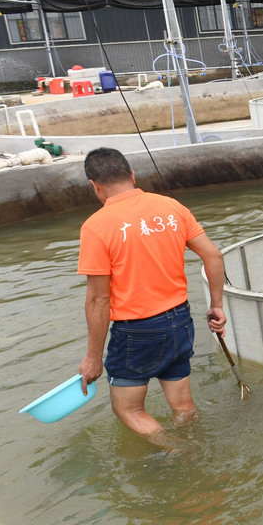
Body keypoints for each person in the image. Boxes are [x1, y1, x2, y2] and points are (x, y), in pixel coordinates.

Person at [75, 147, 226, 439]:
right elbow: (214, 256)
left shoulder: (95, 226)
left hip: (137, 331)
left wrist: (93, 357)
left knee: (128, 410)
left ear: (95, 186)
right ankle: (194, 453)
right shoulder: (171, 207)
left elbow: (98, 298)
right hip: (180, 320)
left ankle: (179, 452)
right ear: (132, 176)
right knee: (183, 407)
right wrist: (216, 305)